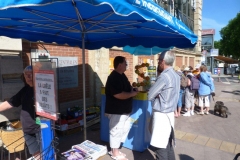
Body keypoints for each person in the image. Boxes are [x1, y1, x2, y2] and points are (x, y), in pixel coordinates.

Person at [0, 66, 41, 159]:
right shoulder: (25, 90)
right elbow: (11, 102)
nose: (28, 77)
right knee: (36, 155)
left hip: (39, 129)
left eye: (31, 74)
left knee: (47, 152)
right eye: (26, 75)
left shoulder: (42, 90)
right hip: (28, 130)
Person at [148, 50, 180, 160]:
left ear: (163, 61)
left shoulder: (164, 76)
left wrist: (158, 95)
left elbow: (150, 95)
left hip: (162, 115)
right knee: (168, 145)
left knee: (160, 148)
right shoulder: (176, 75)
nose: (158, 63)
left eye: (159, 60)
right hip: (170, 114)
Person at [105, 56, 138, 160]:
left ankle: (116, 150)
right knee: (116, 130)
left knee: (124, 129)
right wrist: (132, 94)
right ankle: (114, 153)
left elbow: (127, 88)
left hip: (124, 110)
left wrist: (132, 89)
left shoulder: (122, 75)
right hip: (116, 111)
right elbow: (118, 94)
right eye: (125, 63)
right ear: (119, 65)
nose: (126, 65)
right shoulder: (113, 77)